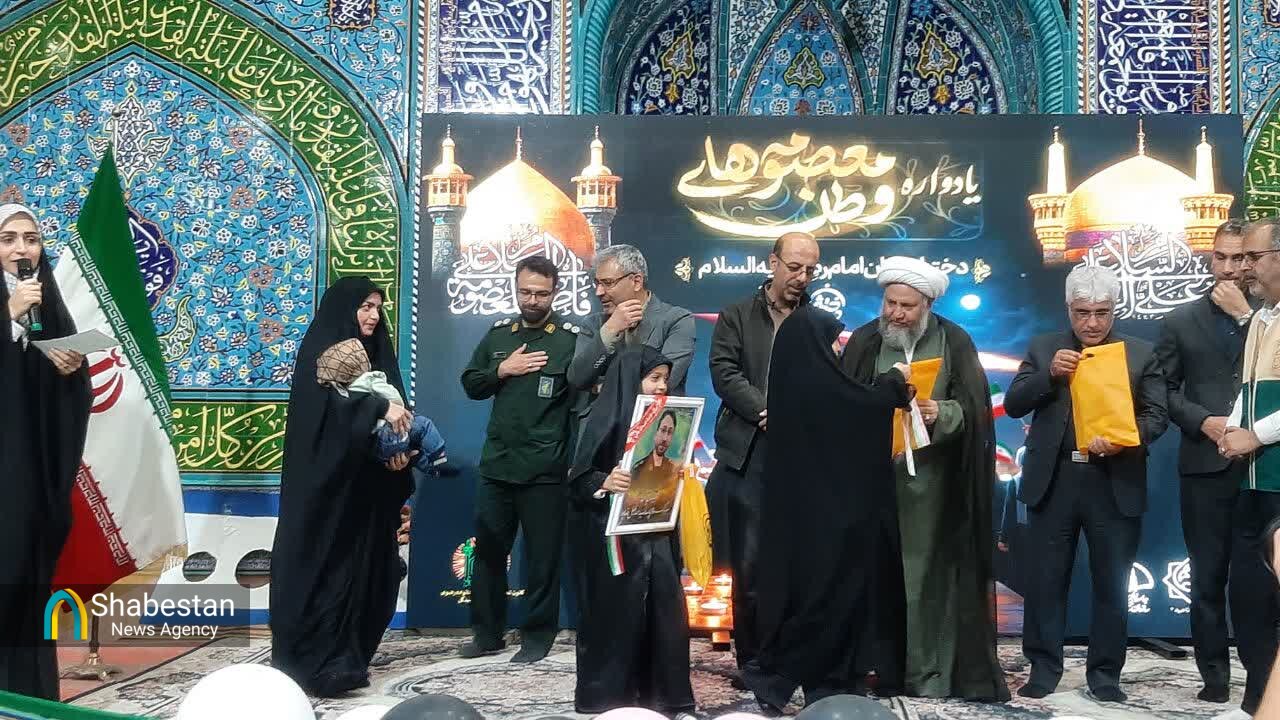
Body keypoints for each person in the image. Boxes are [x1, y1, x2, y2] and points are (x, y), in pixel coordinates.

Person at [840, 255, 1009, 701]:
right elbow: (844, 403)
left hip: (934, 487)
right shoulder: (865, 341)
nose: (896, 313)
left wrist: (941, 413)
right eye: (890, 303)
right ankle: (878, 669)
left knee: (927, 581)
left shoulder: (954, 340)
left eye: (907, 306)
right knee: (874, 579)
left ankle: (928, 674)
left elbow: (974, 409)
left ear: (928, 305)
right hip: (875, 483)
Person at [1005, 265, 1167, 703]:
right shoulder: (1045, 348)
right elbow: (1014, 403)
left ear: (1115, 310)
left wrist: (1124, 440)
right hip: (1054, 480)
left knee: (1112, 583)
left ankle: (1105, 675)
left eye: (1101, 312)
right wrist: (1049, 375)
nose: (1092, 323)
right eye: (1082, 313)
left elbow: (1157, 416)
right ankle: (1043, 668)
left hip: (1113, 481)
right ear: (1068, 310)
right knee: (1045, 581)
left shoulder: (1141, 353)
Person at [745, 305, 913, 713]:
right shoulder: (817, 384)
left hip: (810, 518)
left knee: (832, 598)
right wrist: (893, 382)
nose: (838, 350)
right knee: (826, 599)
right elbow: (858, 407)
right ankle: (777, 677)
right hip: (828, 520)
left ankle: (827, 683)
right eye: (832, 342)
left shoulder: (795, 381)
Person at [270, 276, 415, 697]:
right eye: (365, 307)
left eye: (378, 308)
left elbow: (400, 414)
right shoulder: (320, 355)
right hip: (325, 498)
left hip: (368, 493)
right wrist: (377, 407)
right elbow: (325, 420)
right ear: (345, 310)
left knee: (371, 574)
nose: (374, 316)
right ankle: (310, 664)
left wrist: (400, 452)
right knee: (322, 574)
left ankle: (347, 661)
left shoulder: (378, 355)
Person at [705, 231, 819, 683]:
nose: (802, 277)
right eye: (794, 267)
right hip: (750, 452)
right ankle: (752, 660)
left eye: (810, 270)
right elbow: (724, 373)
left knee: (796, 563)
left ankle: (789, 655)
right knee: (749, 564)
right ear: (772, 263)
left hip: (802, 456)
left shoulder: (818, 320)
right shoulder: (736, 315)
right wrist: (766, 412)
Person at [1153, 219, 1256, 703]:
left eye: (1240, 258)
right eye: (1222, 257)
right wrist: (1204, 422)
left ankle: (1262, 674)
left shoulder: (1270, 318)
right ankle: (1214, 677)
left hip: (1264, 463)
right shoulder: (1180, 320)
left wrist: (1245, 317)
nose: (1230, 269)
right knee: (1208, 576)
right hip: (1205, 464)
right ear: (1210, 258)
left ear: (1254, 261)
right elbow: (1162, 389)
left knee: (1261, 579)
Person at [459, 255, 580, 663]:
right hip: (498, 464)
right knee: (489, 553)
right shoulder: (499, 335)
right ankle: (486, 635)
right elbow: (471, 384)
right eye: (525, 291)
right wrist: (502, 370)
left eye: (541, 293)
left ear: (555, 292)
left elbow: (581, 403)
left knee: (542, 560)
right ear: (515, 288)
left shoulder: (569, 339)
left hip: (545, 467)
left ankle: (537, 637)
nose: (532, 300)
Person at [568, 346, 696, 717]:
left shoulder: (669, 426)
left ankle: (664, 698)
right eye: (654, 378)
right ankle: (608, 699)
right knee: (616, 618)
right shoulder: (600, 418)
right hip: (614, 544)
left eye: (665, 379)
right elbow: (578, 481)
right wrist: (604, 481)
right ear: (630, 379)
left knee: (666, 616)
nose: (662, 386)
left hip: (658, 538)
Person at [0, 203, 91, 699]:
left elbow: (66, 391)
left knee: (29, 583)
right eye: (9, 239)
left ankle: (28, 697)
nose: (22, 249)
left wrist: (68, 370)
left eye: (31, 239)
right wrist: (9, 318)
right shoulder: (17, 303)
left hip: (30, 473)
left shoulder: (45, 299)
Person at [1218, 217, 1280, 716]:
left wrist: (1254, 435)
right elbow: (1248, 389)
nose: (1244, 269)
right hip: (1254, 482)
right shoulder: (1262, 318)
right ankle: (1255, 701)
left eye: (1253, 258)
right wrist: (1233, 429)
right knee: (1249, 597)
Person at [569, 244, 696, 395]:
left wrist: (601, 387)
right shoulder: (592, 324)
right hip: (601, 411)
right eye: (597, 283)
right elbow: (577, 379)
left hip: (654, 410)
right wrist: (610, 330)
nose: (599, 292)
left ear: (636, 282)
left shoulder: (677, 320)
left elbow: (663, 383)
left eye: (608, 283)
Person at [316, 337, 448, 471]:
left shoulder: (341, 391)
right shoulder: (369, 379)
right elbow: (392, 395)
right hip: (389, 433)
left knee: (407, 449)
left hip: (376, 449)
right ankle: (438, 457)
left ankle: (420, 460)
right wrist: (397, 407)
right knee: (424, 425)